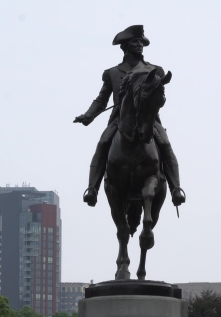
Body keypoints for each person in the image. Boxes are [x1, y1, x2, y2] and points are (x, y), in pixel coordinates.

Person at [74, 25, 186, 207]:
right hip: (120, 119)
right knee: (103, 144)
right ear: (125, 46)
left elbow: (159, 98)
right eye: (135, 42)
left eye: (141, 42)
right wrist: (88, 116)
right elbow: (102, 100)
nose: (140, 45)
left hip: (148, 119)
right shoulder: (113, 73)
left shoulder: (155, 70)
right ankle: (92, 189)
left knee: (165, 145)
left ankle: (176, 189)